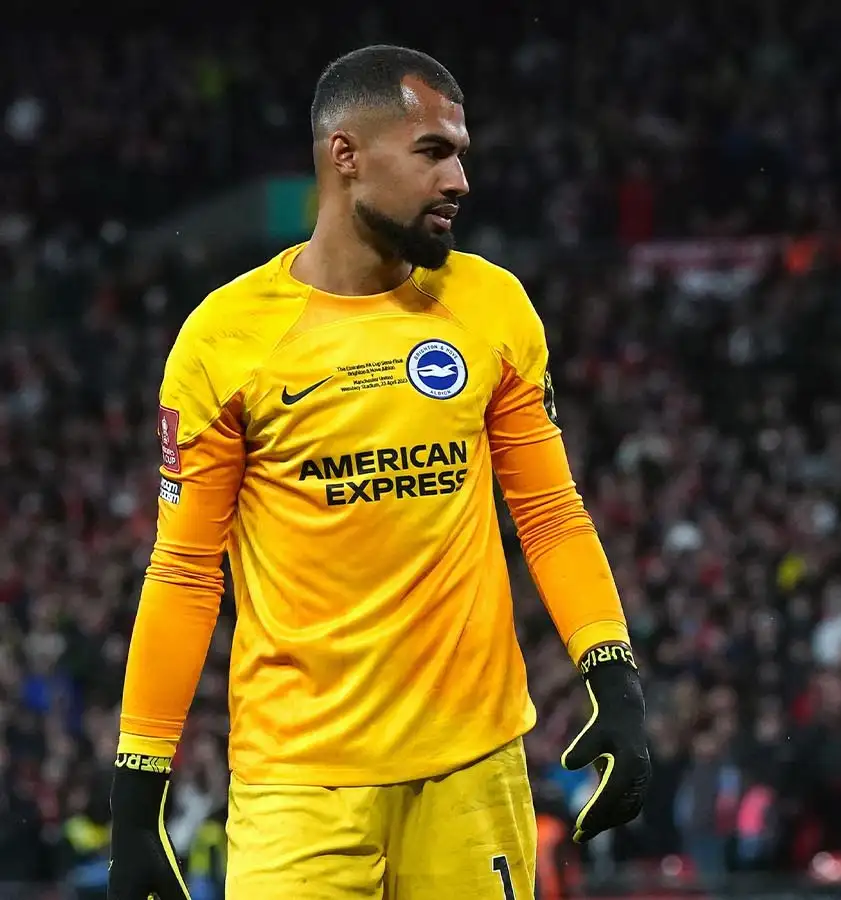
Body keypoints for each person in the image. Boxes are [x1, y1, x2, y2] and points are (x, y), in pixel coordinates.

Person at [106, 45, 651, 900]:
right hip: (298, 788)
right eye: (433, 152)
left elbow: (549, 511)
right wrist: (138, 799)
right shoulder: (225, 339)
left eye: (462, 153)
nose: (460, 180)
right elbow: (183, 571)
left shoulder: (492, 305)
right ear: (346, 156)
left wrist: (613, 679)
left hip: (473, 772)